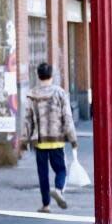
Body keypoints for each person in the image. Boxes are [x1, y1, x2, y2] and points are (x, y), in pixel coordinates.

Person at [22, 62, 78, 213]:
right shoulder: (59, 93)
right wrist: (72, 139)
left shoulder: (32, 93)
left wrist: (24, 140)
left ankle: (46, 205)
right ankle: (59, 190)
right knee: (61, 169)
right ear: (51, 75)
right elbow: (67, 117)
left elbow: (27, 119)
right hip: (56, 139)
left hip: (39, 140)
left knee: (43, 173)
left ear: (38, 76)